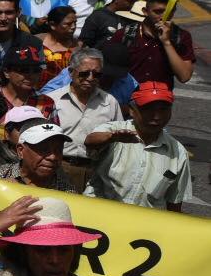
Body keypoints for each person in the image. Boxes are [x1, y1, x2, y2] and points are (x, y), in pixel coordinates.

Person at [82, 81, 195, 210]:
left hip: (143, 225)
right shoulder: (115, 130)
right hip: (98, 215)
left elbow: (174, 204)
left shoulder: (178, 152)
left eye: (163, 109)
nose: (157, 116)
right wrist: (112, 137)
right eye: (148, 109)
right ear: (132, 110)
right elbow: (90, 140)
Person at [45, 47, 120, 191]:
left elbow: (118, 143)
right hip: (60, 169)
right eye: (84, 74)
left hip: (97, 171)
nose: (90, 79)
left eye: (97, 74)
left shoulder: (110, 102)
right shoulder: (52, 100)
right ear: (71, 72)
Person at [0, 46, 55, 160]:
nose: (31, 75)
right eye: (24, 70)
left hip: (29, 173)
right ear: (6, 72)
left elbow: (52, 142)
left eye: (36, 70)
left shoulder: (47, 103)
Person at [112, 0, 197, 88]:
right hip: (127, 98)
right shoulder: (125, 34)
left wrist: (167, 43)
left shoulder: (181, 37)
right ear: (145, 11)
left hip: (159, 101)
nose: (163, 17)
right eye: (158, 12)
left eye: (169, 12)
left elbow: (184, 76)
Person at [0, 119, 77, 191]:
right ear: (20, 151)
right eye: (43, 149)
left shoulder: (67, 191)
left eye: (58, 150)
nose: (53, 157)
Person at [37, 5, 80, 85]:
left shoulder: (78, 47)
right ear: (53, 25)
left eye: (75, 23)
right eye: (68, 24)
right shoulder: (36, 41)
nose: (73, 27)